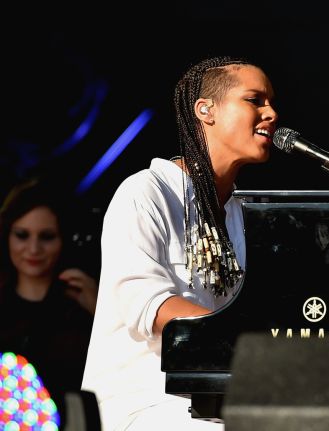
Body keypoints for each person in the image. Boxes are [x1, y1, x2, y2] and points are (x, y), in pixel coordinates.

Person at [81, 56, 278, 430]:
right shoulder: (145, 193)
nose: (271, 113)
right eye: (255, 100)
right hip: (145, 403)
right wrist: (250, 342)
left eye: (271, 102)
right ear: (206, 110)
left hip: (217, 402)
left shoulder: (241, 212)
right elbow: (149, 306)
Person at [0, 179, 98, 394]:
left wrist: (101, 312)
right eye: (22, 235)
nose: (33, 249)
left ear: (64, 239)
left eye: (47, 236)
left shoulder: (86, 303)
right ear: (7, 235)